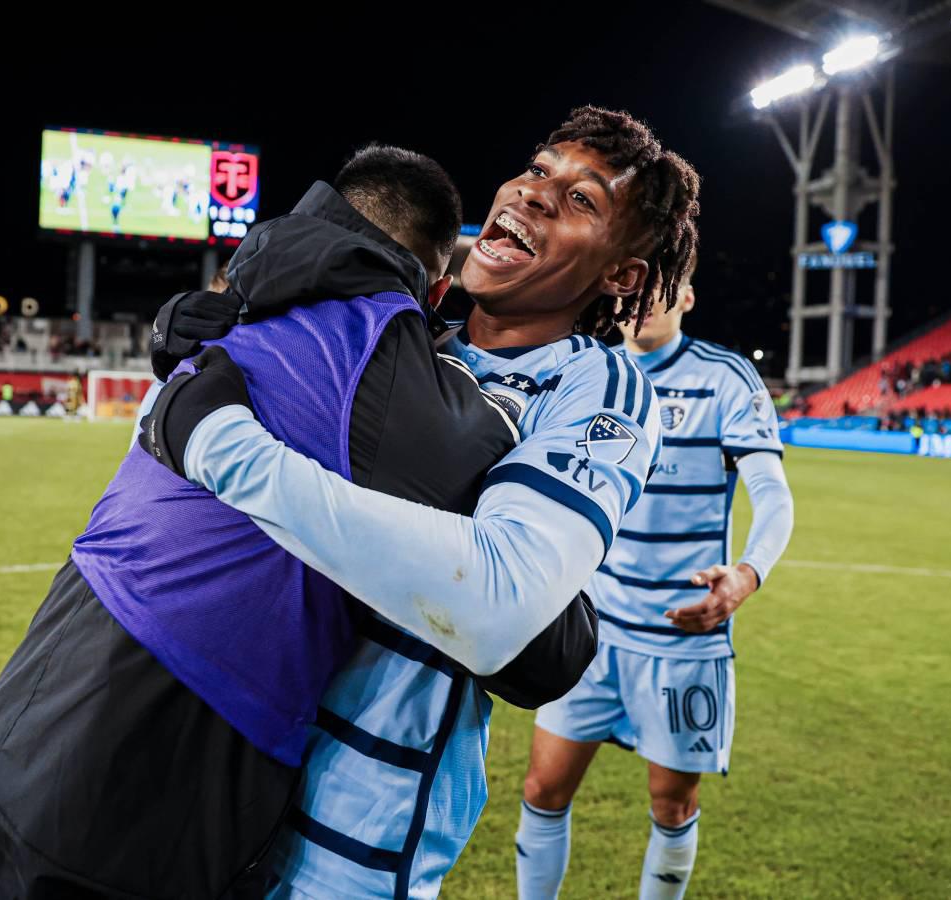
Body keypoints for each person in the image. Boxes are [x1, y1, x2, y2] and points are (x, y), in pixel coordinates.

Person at [0, 145, 589, 900]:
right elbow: (542, 650)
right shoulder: (379, 357)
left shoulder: (243, 298)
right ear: (435, 287)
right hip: (148, 751)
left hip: (31, 699)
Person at [142, 104, 700, 898]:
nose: (537, 193)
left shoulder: (596, 388)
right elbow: (172, 437)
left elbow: (499, 602)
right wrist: (203, 353)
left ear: (622, 275)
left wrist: (228, 451)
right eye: (539, 170)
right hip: (213, 768)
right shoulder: (400, 327)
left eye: (583, 200)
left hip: (349, 839)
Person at [513, 262, 795, 900]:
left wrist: (747, 574)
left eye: (662, 289)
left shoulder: (725, 378)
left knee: (672, 804)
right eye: (635, 289)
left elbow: (772, 496)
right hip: (589, 628)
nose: (643, 302)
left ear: (687, 297)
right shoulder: (592, 370)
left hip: (682, 638)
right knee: (542, 789)